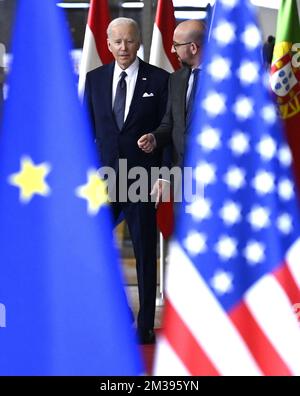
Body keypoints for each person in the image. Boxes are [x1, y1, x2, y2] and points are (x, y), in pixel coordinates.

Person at [84, 18, 169, 344]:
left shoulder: (159, 80)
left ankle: (145, 324)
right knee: (94, 249)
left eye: (129, 41)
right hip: (102, 181)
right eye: (117, 41)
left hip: (142, 181)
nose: (123, 47)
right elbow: (86, 131)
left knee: (146, 253)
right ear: (107, 43)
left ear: (139, 42)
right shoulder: (94, 80)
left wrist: (162, 173)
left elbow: (167, 131)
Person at [138, 19, 206, 205]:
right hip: (182, 182)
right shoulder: (175, 79)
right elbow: (170, 123)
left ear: (193, 47)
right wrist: (155, 137)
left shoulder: (223, 80)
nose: (172, 50)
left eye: (176, 45)